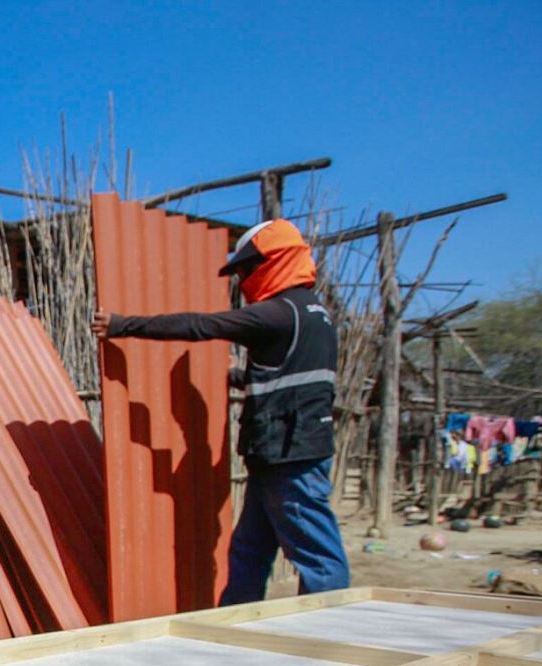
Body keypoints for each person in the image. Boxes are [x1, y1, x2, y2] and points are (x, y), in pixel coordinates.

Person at [91, 217, 351, 604]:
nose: (243, 282)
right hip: (276, 453)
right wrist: (238, 377)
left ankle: (333, 637)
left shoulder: (279, 313)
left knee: (317, 556)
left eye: (246, 270)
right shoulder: (313, 315)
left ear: (270, 262)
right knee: (249, 551)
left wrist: (124, 325)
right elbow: (293, 379)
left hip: (292, 455)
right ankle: (236, 626)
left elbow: (202, 326)